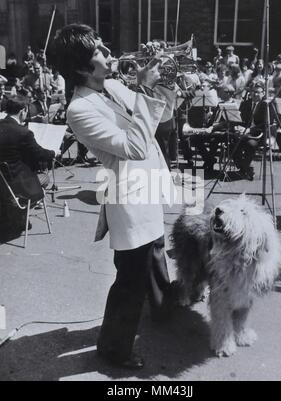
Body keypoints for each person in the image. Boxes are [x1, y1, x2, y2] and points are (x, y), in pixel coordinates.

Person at [53, 24, 176, 370]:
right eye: (100, 51)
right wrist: (145, 86)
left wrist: (166, 81)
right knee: (131, 277)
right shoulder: (79, 110)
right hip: (128, 196)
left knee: (155, 251)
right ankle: (113, 348)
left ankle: (163, 310)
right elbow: (135, 147)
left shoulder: (114, 86)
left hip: (148, 186)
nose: (109, 54)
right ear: (81, 67)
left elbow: (160, 118)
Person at [0, 95, 55, 239]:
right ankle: (20, 214)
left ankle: (11, 212)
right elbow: (40, 154)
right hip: (18, 184)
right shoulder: (23, 132)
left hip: (3, 181)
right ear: (23, 111)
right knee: (45, 177)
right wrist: (54, 153)